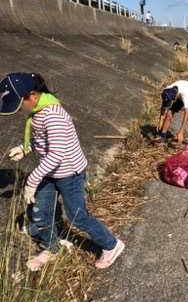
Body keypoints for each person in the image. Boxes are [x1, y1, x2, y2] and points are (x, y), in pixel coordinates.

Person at [0, 72, 124, 271]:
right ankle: (52, 248)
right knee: (42, 212)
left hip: (69, 174)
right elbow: (42, 140)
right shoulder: (37, 112)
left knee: (77, 216)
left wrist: (32, 179)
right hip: (50, 173)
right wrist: (25, 148)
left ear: (32, 95)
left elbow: (57, 153)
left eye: (19, 103)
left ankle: (111, 245)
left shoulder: (53, 115)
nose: (19, 109)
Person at [152, 80, 188, 145]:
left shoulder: (185, 95)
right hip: (179, 96)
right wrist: (161, 120)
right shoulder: (167, 91)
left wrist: (181, 132)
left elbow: (185, 115)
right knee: (169, 113)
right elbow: (163, 105)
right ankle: (162, 136)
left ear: (175, 98)